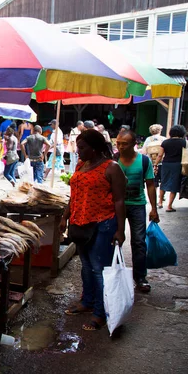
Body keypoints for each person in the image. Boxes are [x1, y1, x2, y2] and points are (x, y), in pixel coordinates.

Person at [60, 129, 126, 331]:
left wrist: (121, 230)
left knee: (99, 270)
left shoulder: (111, 168)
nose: (78, 151)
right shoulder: (82, 165)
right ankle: (87, 302)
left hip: (103, 223)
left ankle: (101, 312)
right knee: (86, 267)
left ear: (95, 148)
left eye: (82, 147)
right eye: (78, 147)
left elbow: (120, 200)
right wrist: (65, 217)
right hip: (80, 223)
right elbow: (75, 194)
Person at [116, 131, 159, 293]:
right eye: (118, 143)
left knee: (139, 242)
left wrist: (154, 209)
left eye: (124, 143)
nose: (120, 146)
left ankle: (140, 277)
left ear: (134, 143)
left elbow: (150, 185)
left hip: (137, 205)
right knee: (115, 240)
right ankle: (117, 275)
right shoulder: (114, 160)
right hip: (116, 206)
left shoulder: (144, 161)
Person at [154, 125, 187, 212]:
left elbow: (160, 155)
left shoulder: (165, 142)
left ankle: (160, 202)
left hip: (166, 164)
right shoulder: (184, 142)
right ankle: (169, 206)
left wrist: (155, 164)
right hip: (177, 165)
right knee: (175, 184)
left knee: (164, 182)